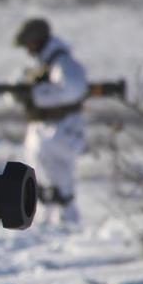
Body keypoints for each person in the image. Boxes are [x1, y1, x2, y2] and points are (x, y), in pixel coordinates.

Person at [12, 18, 88, 227]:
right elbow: (15, 89)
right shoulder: (37, 64)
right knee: (40, 178)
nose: (28, 48)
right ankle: (45, 223)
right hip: (40, 129)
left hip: (62, 128)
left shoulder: (62, 62)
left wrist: (35, 95)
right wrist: (19, 94)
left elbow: (72, 90)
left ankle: (69, 224)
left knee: (61, 180)